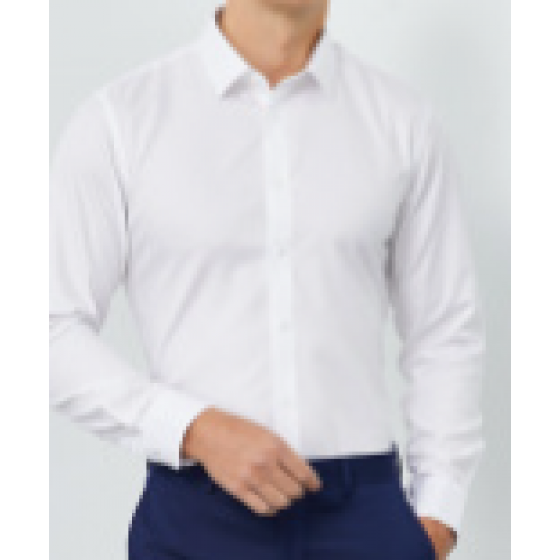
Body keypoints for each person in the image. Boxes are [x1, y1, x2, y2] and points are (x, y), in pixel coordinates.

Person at [50, 1, 486, 558]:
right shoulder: (121, 120)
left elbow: (443, 329)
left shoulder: (402, 121)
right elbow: (48, 326)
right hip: (196, 512)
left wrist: (438, 514)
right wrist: (194, 429)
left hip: (365, 514)